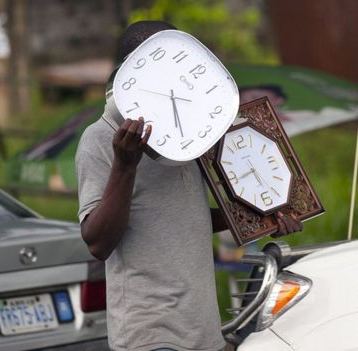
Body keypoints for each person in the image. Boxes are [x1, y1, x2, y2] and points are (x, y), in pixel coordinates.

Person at [75, 21, 302, 351]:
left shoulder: (191, 133)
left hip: (201, 329)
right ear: (134, 74)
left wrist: (263, 213)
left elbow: (184, 218)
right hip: (152, 334)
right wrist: (125, 166)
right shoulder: (99, 138)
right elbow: (98, 242)